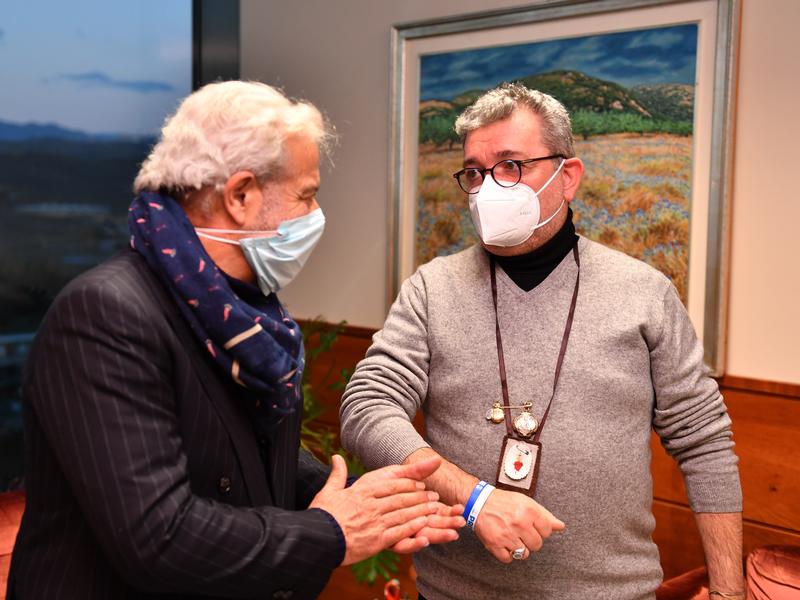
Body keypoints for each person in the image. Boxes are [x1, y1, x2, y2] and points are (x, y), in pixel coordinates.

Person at [7, 81, 464, 600]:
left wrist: (367, 502)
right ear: (241, 196)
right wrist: (333, 532)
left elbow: (247, 449)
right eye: (306, 194)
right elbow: (160, 538)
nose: (316, 213)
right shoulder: (104, 314)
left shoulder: (241, 310)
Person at [340, 83, 743, 600]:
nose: (489, 189)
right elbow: (367, 406)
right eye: (475, 173)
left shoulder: (644, 293)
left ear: (567, 176)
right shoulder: (431, 289)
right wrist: (475, 499)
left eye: (511, 166)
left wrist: (729, 591)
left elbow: (704, 442)